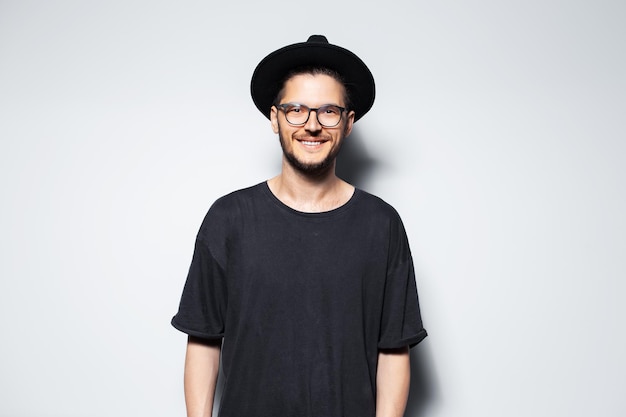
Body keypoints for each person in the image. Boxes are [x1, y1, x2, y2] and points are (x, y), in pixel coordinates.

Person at [172, 35, 427, 417]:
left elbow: (393, 347)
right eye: (296, 109)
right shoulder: (228, 219)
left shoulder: (381, 224)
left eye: (328, 111)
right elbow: (204, 339)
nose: (311, 125)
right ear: (275, 119)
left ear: (348, 122)